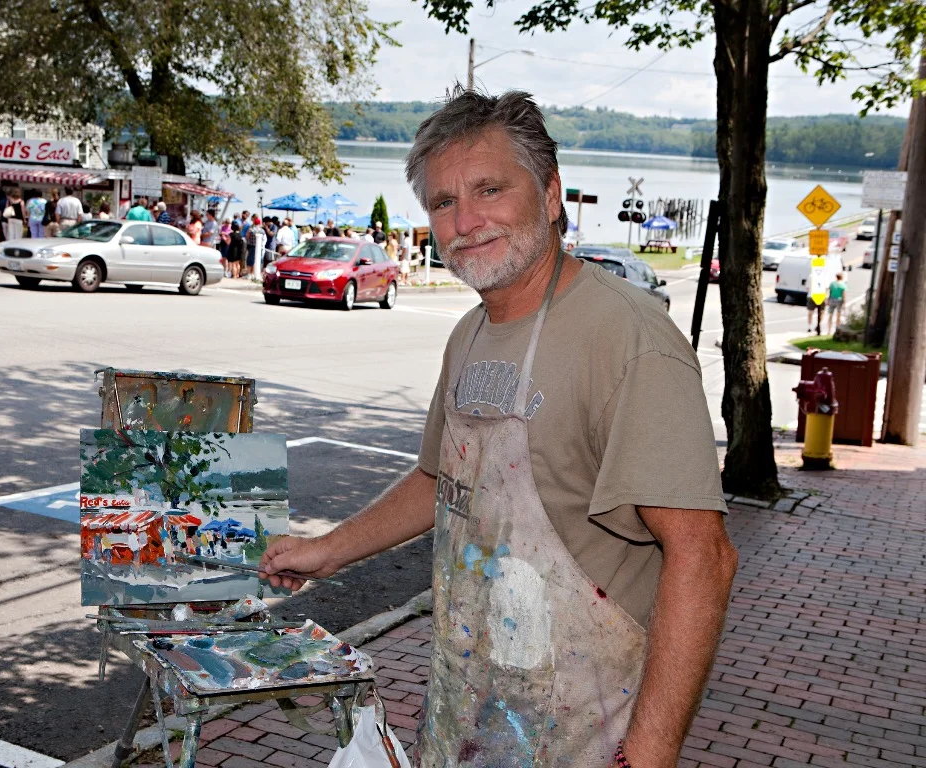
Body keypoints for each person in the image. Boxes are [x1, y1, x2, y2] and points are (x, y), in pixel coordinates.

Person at [258, 87, 737, 768]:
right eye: (444, 203)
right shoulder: (471, 333)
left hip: (585, 730)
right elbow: (440, 479)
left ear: (549, 195)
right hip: (472, 709)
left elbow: (703, 555)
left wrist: (652, 748)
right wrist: (329, 550)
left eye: (489, 190)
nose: (467, 221)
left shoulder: (627, 338)